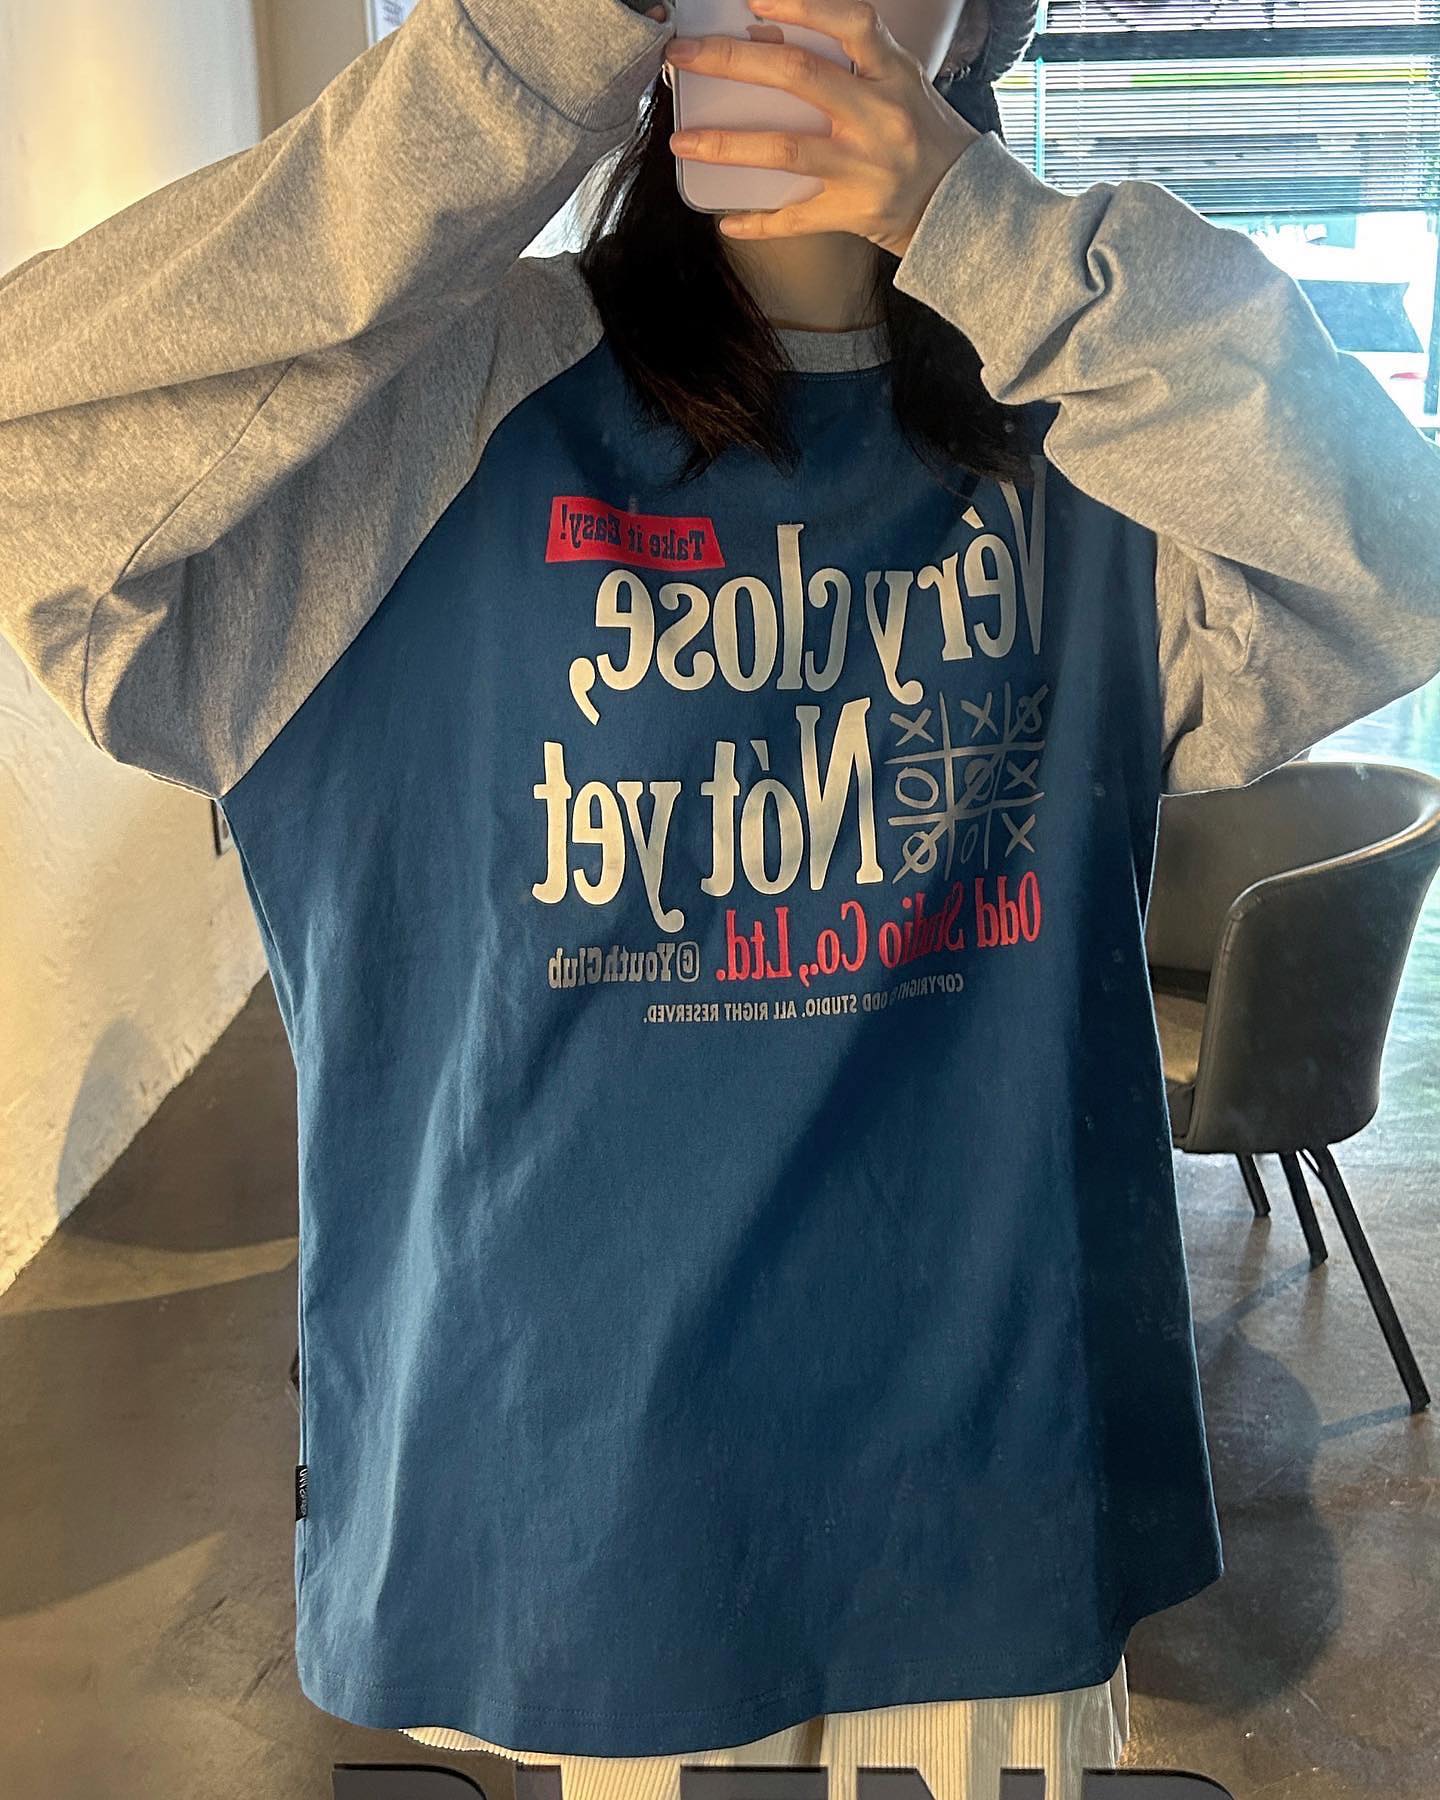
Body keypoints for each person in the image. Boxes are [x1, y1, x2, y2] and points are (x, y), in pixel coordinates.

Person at [2, 0, 1438, 1797]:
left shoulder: (1086, 436)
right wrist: (520, 66)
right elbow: (37, 453)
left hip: (984, 1487)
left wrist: (975, 220)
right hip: (599, 1504)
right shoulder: (442, 416)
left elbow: (1395, 557)